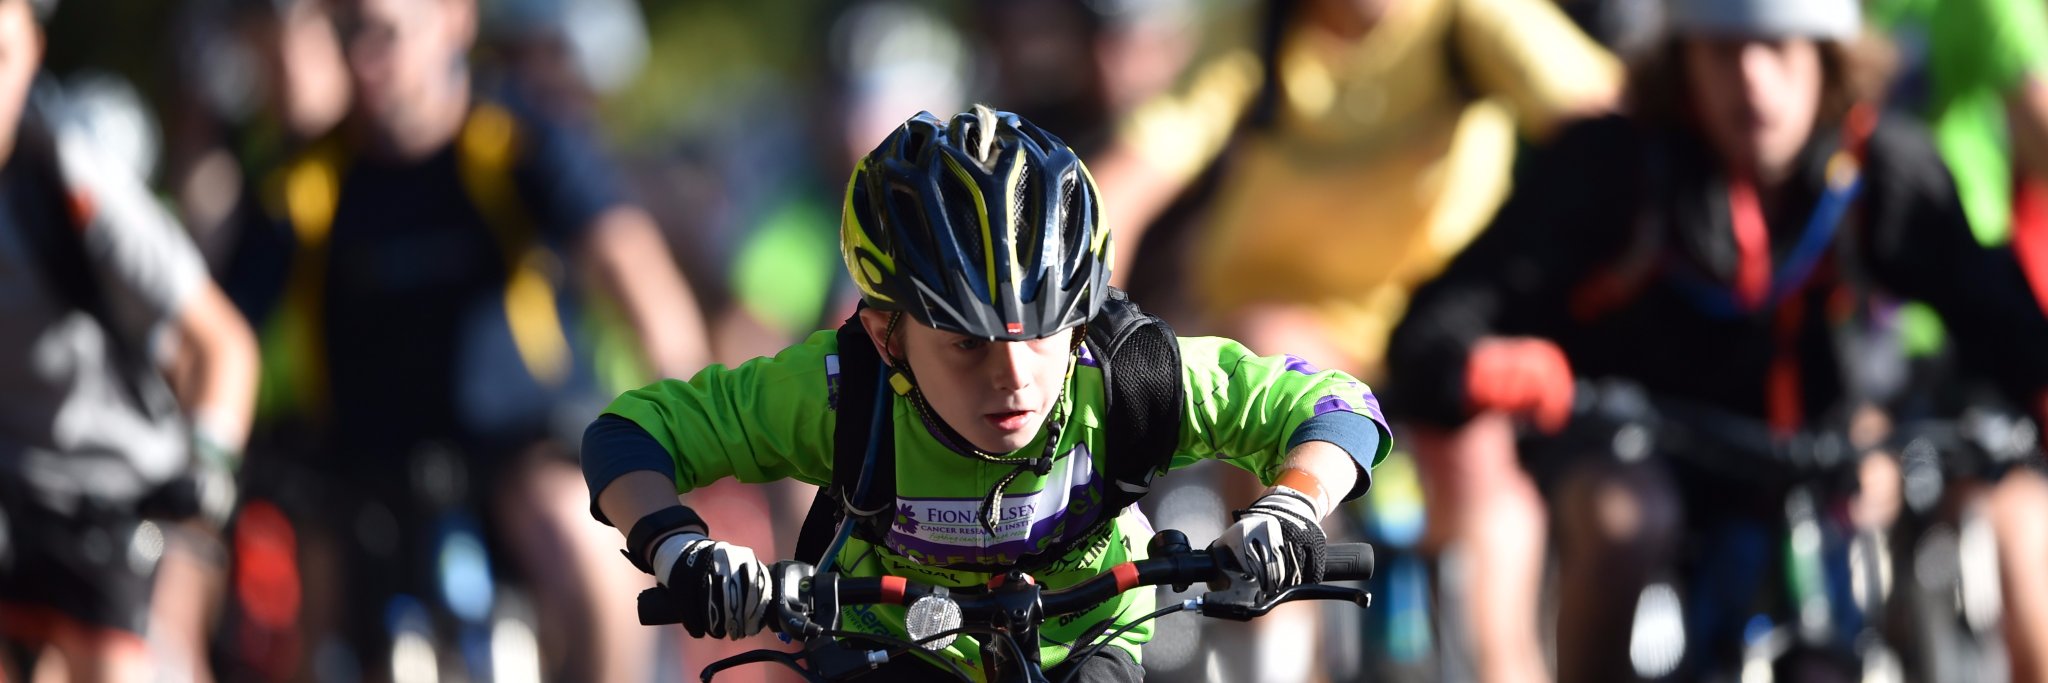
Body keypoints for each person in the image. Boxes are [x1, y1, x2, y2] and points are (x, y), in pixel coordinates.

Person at [581, 106, 1391, 681]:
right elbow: (628, 435)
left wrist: (1290, 505)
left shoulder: (1132, 377)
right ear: (886, 335)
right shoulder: (840, 390)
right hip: (890, 646)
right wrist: (682, 550)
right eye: (967, 345)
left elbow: (1339, 407)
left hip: (1089, 641)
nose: (1012, 376)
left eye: (1042, 335)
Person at [1386, 0, 2048, 679]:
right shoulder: (1614, 165)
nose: (1754, 79)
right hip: (1639, 445)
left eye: (1783, 48)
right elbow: (1437, 324)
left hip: (1816, 464)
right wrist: (1489, 363)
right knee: (1627, 518)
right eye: (1724, 51)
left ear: (1829, 59)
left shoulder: (1878, 172)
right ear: (1682, 61)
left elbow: (2003, 320)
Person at [221, 0, 711, 679]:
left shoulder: (518, 140)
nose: (363, 59)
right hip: (359, 466)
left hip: (521, 447)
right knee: (302, 606)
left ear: (455, 20)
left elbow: (636, 274)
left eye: (385, 33)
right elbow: (221, 333)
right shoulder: (301, 178)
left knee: (582, 543)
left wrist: (688, 426)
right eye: (344, 34)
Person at [0, 0, 260, 679]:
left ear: (31, 53)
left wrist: (205, 470)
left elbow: (221, 342)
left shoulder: (67, 174)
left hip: (120, 505)